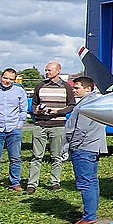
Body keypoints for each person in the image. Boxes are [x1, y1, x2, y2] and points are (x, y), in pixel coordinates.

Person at [64, 75, 105, 224]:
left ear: (88, 89)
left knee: (86, 183)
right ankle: (91, 214)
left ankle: (89, 217)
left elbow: (80, 129)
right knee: (92, 181)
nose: (74, 90)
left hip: (84, 148)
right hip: (92, 147)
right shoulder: (94, 102)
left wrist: (72, 146)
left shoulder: (87, 104)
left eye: (77, 88)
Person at [27, 61, 72, 194]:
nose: (47, 72)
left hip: (58, 126)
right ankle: (32, 184)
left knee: (56, 156)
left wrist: (58, 112)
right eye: (46, 70)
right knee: (36, 156)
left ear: (58, 71)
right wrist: (37, 111)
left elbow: (71, 105)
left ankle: (55, 182)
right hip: (40, 124)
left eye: (49, 70)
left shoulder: (66, 87)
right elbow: (34, 104)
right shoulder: (40, 86)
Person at [0, 68, 29, 191]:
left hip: (14, 128)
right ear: (1, 77)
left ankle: (15, 183)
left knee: (15, 158)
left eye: (11, 79)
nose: (7, 81)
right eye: (5, 78)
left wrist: (20, 123)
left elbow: (23, 110)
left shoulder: (20, 91)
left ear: (15, 80)